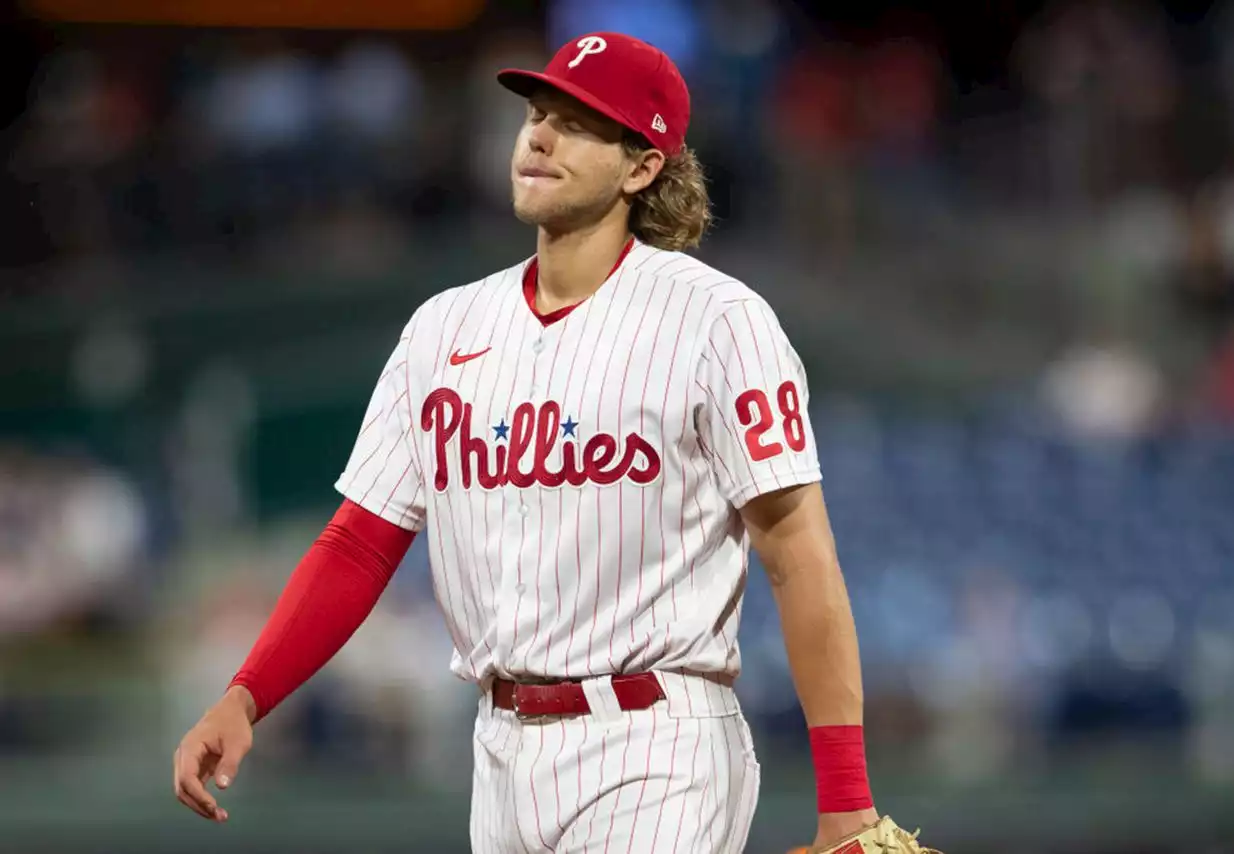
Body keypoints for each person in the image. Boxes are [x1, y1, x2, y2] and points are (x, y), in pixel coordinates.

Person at [172, 31, 938, 854]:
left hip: (657, 741)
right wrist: (247, 694)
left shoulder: (718, 322)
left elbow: (797, 549)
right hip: (499, 753)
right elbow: (361, 542)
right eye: (536, 114)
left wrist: (847, 801)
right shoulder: (444, 328)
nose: (538, 136)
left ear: (643, 166)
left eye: (576, 123)